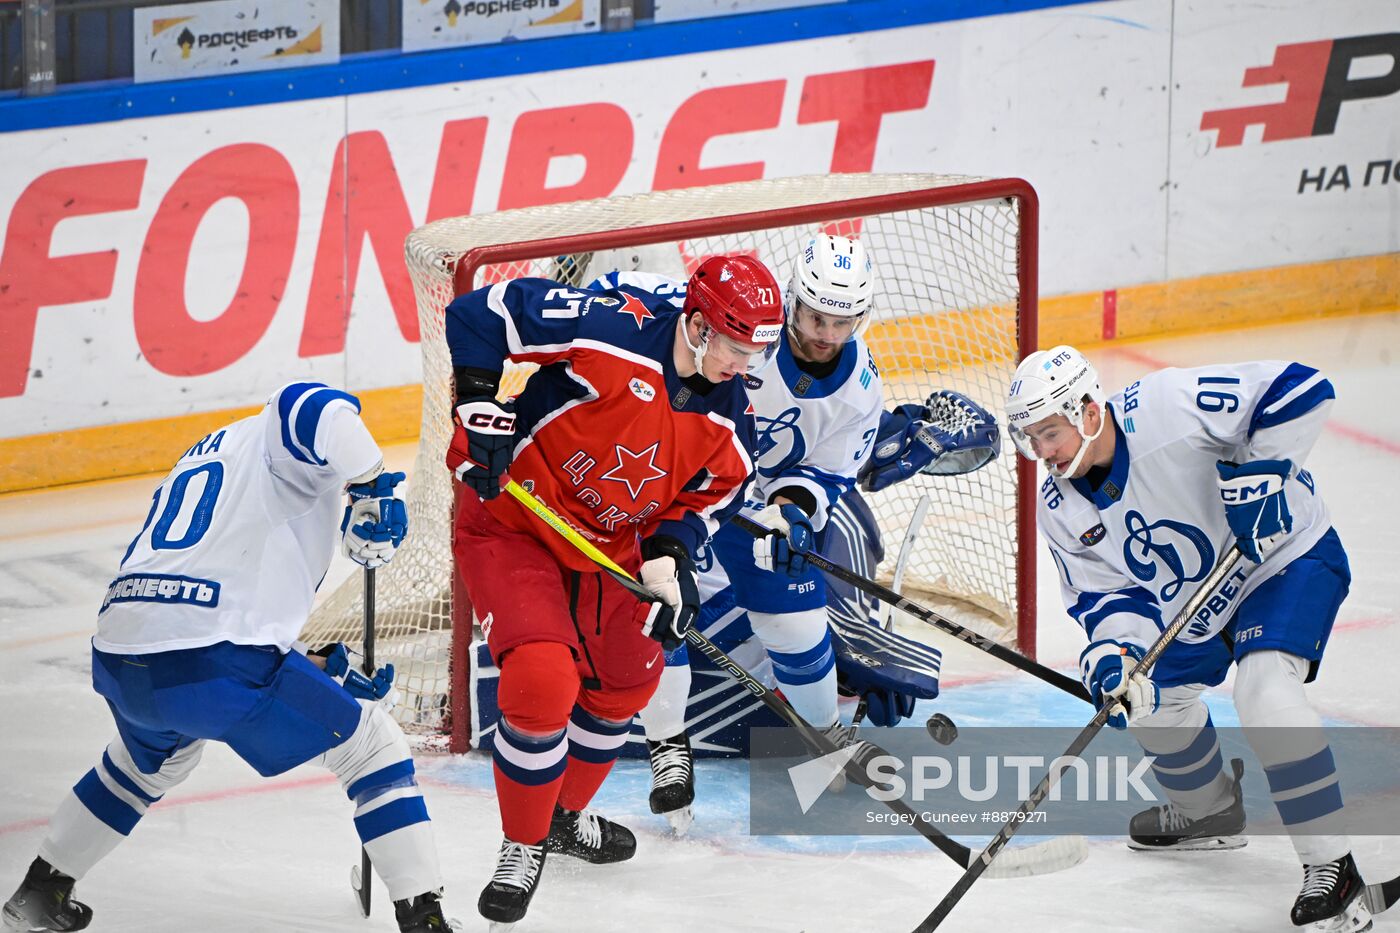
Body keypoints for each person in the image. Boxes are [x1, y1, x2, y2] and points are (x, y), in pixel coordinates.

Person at [1, 383, 457, 933]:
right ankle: (424, 919)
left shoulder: (214, 453)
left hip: (122, 656)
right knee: (372, 747)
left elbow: (208, 606)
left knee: (149, 760)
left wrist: (324, 672)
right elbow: (318, 406)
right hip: (211, 658)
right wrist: (373, 489)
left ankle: (40, 890)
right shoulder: (279, 434)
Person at [591, 240, 1002, 831]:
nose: (825, 333)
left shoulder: (860, 388)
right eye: (814, 317)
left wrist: (791, 513)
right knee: (662, 608)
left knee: (798, 621)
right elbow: (644, 307)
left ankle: (826, 735)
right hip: (675, 492)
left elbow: (831, 471)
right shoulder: (743, 336)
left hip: (757, 513)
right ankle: (668, 747)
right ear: (792, 304)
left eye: (842, 322)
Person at [444, 256, 783, 927]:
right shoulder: (608, 328)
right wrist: (479, 400)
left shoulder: (732, 433)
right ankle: (524, 843)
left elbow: (693, 506)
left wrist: (667, 558)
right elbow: (478, 314)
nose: (743, 364)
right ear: (696, 324)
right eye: (736, 346)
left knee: (629, 681)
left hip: (607, 549)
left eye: (758, 351)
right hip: (517, 516)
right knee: (541, 682)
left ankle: (561, 819)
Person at [1005, 346, 1369, 932]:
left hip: (1282, 562)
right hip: (1193, 605)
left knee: (1264, 692)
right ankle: (1210, 811)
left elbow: (1301, 386)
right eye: (1031, 438)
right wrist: (1116, 655)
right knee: (1146, 697)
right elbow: (1107, 599)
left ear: (1088, 412)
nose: (1041, 453)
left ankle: (1333, 867)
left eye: (1049, 433)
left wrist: (1265, 476)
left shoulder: (1168, 407)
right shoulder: (1059, 507)